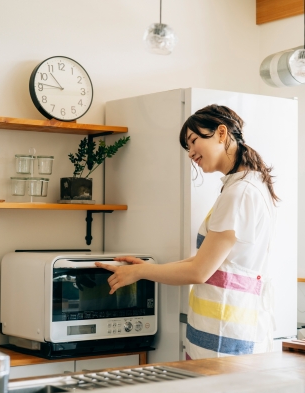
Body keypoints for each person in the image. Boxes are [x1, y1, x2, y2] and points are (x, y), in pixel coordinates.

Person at [95, 104, 278, 360]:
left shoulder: (240, 193)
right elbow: (211, 261)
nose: (191, 153)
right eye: (187, 147)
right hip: (223, 330)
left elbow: (200, 271)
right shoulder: (246, 185)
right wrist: (145, 269)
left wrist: (140, 271)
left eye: (193, 141)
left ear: (221, 133)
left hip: (224, 337)